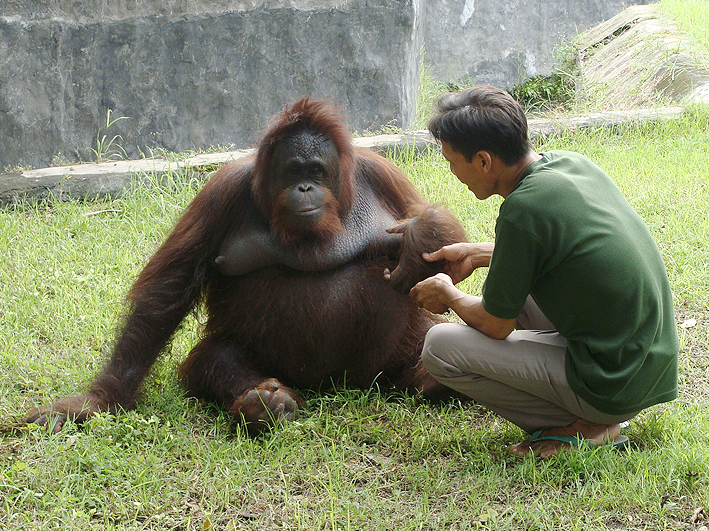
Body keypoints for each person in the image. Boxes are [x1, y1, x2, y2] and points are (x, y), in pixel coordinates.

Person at [410, 85, 679, 458]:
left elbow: (495, 324)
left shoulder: (522, 211)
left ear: (484, 161)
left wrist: (449, 294)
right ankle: (595, 413)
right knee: (515, 287)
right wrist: (479, 253)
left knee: (439, 347)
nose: (453, 172)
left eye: (452, 162)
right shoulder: (570, 164)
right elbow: (565, 252)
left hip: (612, 381)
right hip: (646, 361)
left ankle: (585, 425)